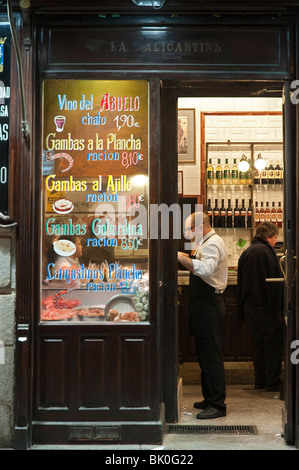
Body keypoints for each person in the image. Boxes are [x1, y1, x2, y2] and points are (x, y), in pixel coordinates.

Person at [178, 212, 228, 419]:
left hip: (209, 305)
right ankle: (209, 398)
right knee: (204, 355)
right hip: (203, 305)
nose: (188, 235)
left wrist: (182, 258)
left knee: (211, 356)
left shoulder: (212, 243)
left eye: (189, 230)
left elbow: (206, 270)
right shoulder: (205, 242)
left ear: (200, 227)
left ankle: (217, 404)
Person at [237, 222, 284, 391]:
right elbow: (273, 282)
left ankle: (259, 381)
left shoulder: (247, 251)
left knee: (257, 344)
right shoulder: (266, 251)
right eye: (275, 238)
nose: (275, 241)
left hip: (250, 306)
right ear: (268, 237)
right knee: (273, 343)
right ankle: (273, 382)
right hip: (266, 305)